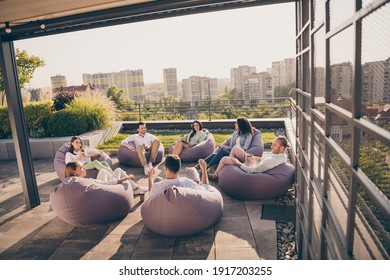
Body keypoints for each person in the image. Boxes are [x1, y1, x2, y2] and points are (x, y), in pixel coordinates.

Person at [209, 136, 290, 179]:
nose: (271, 146)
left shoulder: (272, 161)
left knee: (224, 159)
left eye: (274, 145)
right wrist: (255, 158)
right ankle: (229, 169)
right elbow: (264, 161)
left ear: (282, 148)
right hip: (254, 163)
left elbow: (252, 170)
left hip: (250, 167)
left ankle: (216, 175)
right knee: (235, 148)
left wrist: (238, 163)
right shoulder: (280, 156)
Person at [65, 161, 147, 194]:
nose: (84, 169)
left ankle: (135, 187)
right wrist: (126, 178)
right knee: (118, 170)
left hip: (99, 186)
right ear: (75, 172)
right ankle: (136, 188)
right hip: (106, 188)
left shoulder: (77, 181)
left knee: (103, 171)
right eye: (81, 168)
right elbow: (109, 183)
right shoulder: (87, 181)